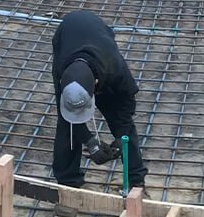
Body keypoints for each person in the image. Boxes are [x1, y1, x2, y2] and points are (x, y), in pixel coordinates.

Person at [51, 10, 146, 189]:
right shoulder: (63, 73)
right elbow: (67, 114)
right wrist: (89, 140)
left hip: (100, 40)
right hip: (68, 34)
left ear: (95, 85)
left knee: (124, 126)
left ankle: (136, 182)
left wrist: (121, 137)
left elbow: (127, 102)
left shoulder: (114, 69)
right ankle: (68, 185)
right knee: (67, 127)